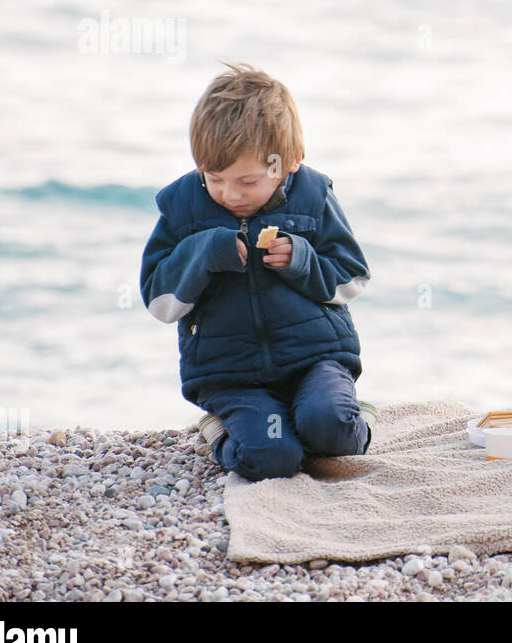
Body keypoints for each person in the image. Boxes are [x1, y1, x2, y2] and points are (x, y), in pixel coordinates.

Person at [139, 63, 375, 482]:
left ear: (290, 164)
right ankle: (218, 429)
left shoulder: (313, 195)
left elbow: (351, 278)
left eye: (247, 182)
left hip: (314, 360)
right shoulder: (181, 206)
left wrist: (302, 260)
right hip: (231, 375)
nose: (230, 195)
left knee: (330, 429)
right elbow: (161, 303)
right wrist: (204, 252)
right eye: (214, 179)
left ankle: (354, 414)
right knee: (271, 459)